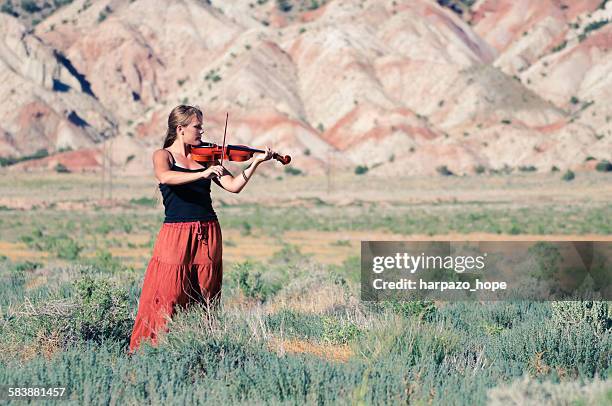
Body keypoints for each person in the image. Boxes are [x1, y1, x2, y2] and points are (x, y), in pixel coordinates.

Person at [129, 105, 273, 353]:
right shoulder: (163, 156)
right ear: (180, 129)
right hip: (176, 234)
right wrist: (203, 174)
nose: (202, 131)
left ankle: (202, 347)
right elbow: (165, 177)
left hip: (209, 230)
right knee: (168, 293)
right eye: (197, 126)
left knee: (206, 293)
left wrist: (256, 163)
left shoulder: (205, 156)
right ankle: (152, 350)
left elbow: (234, 185)